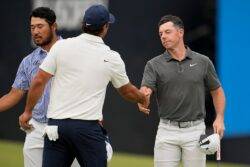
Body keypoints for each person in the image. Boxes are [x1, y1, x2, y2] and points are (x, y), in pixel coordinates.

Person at [19, 4, 149, 167]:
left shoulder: (61, 47)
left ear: (83, 24)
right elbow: (127, 91)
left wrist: (27, 112)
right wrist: (142, 98)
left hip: (56, 128)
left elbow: (39, 81)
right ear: (105, 28)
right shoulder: (111, 57)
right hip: (86, 129)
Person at [138, 15, 225, 167]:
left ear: (180, 32)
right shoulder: (153, 65)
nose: (163, 36)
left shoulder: (203, 61)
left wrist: (219, 118)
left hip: (195, 131)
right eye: (160, 34)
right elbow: (146, 89)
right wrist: (143, 97)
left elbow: (217, 91)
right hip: (167, 131)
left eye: (167, 32)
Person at [0, 7, 79, 167]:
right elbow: (14, 94)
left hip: (69, 125)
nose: (35, 31)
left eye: (40, 26)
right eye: (32, 27)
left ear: (53, 26)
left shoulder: (73, 52)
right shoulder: (28, 61)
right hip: (36, 127)